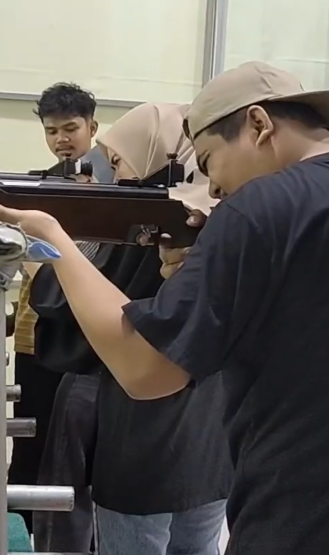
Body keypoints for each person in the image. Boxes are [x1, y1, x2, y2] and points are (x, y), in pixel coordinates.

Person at [0, 60, 329, 555]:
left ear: (258, 124)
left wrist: (54, 238)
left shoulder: (261, 207)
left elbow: (145, 369)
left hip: (309, 515)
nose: (214, 189)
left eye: (209, 162)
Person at [32, 103, 231, 555]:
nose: (115, 173)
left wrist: (55, 244)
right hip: (211, 434)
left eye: (118, 160)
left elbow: (59, 300)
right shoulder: (218, 215)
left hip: (146, 430)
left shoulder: (162, 220)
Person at [8, 82, 111, 536]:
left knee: (82, 450)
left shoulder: (115, 183)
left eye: (70, 128)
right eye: (52, 131)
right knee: (32, 438)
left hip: (89, 336)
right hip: (36, 331)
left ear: (93, 126)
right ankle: (23, 533)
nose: (61, 139)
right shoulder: (37, 186)